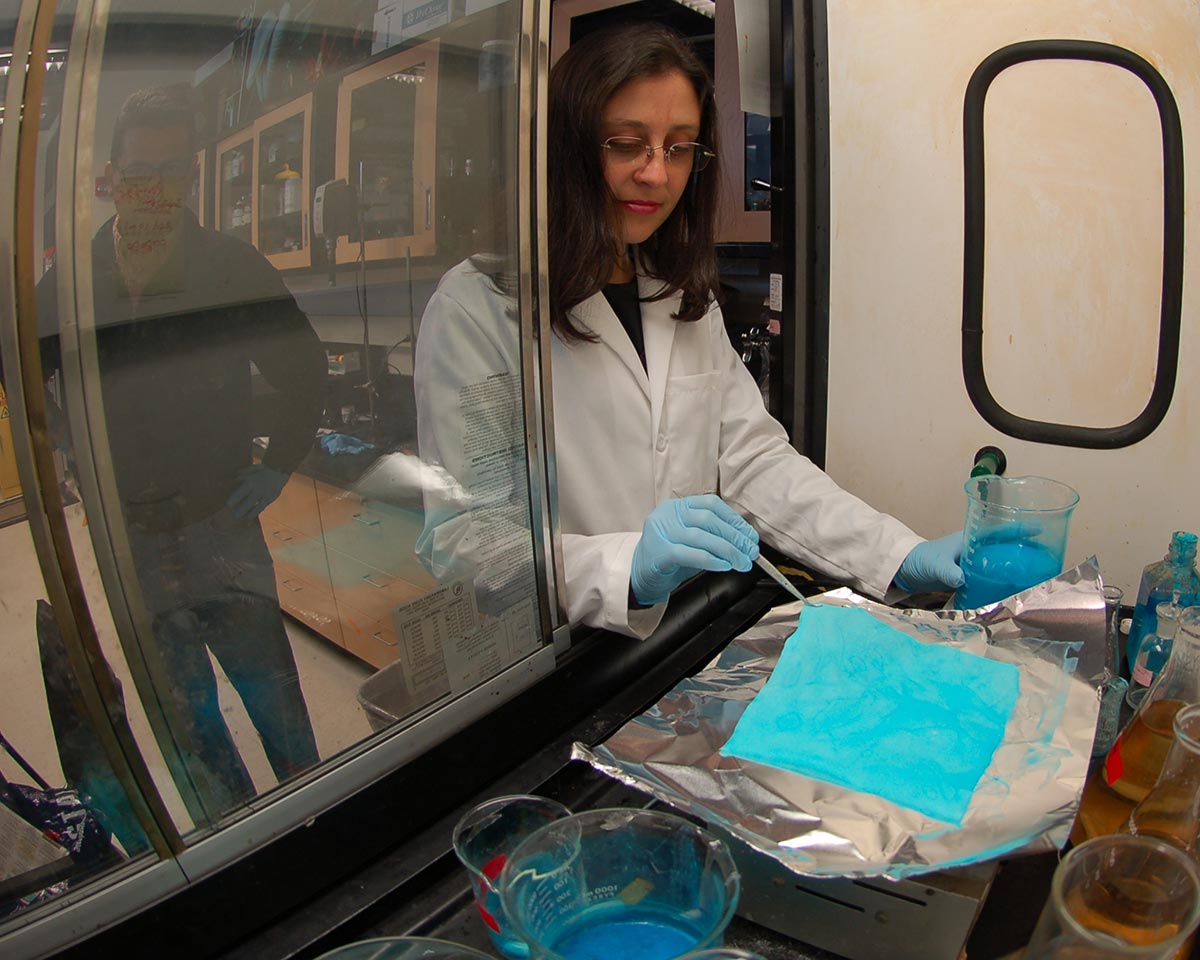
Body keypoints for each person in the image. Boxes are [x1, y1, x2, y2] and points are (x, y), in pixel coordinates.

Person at [415, 24, 962, 639]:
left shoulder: (678, 291)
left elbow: (754, 462)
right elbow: (469, 540)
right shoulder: (482, 309)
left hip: (681, 641)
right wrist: (625, 567)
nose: (657, 174)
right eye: (627, 144)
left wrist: (896, 554)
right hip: (562, 653)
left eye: (679, 148)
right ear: (566, 148)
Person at [36, 85, 326, 815]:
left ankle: (315, 827)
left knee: (278, 707)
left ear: (190, 179)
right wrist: (67, 448)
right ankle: (235, 858)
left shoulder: (229, 266)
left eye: (169, 173)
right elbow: (18, 370)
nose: (152, 188)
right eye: (138, 172)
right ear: (111, 177)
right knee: (188, 723)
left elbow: (305, 368)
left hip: (220, 524)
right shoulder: (73, 283)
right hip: (130, 541)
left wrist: (276, 464)